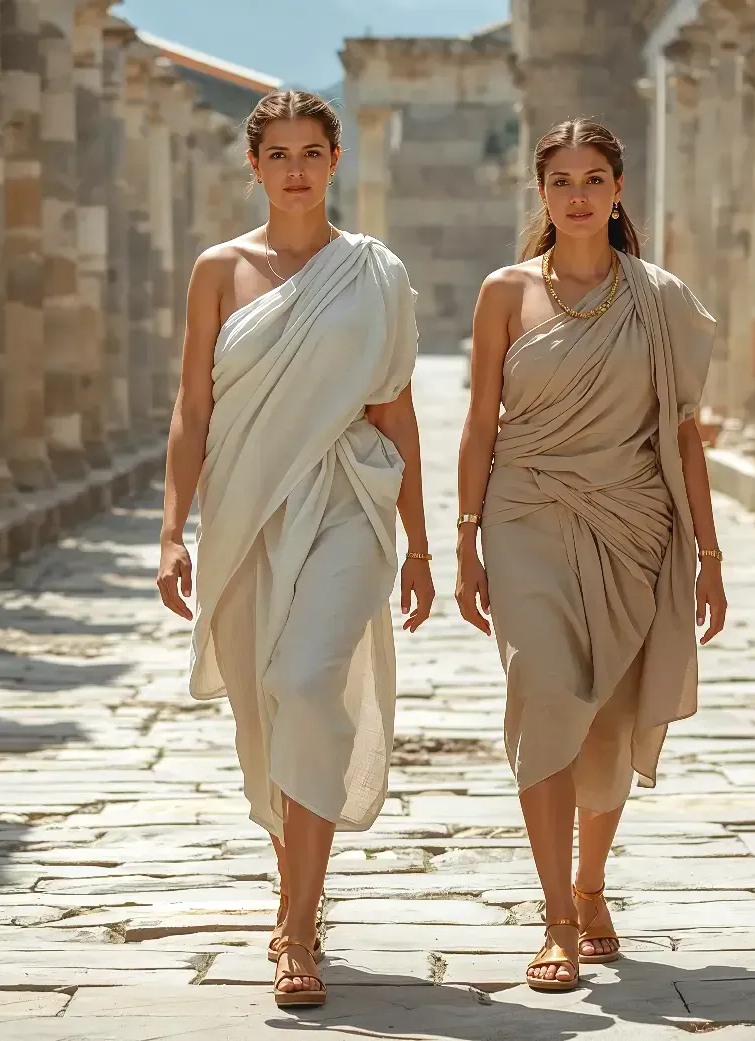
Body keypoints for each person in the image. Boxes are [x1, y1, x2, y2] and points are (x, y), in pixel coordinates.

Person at [156, 90, 433, 1009]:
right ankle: (296, 898)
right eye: (278, 155)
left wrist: (426, 542)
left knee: (308, 681)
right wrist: (170, 529)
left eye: (312, 152)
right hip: (244, 510)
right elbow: (192, 408)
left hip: (349, 496)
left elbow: (395, 407)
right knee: (264, 713)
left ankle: (299, 923)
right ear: (254, 166)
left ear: (337, 158)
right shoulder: (217, 270)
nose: (297, 170)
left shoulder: (375, 272)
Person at [455, 119, 727, 992]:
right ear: (542, 194)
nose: (578, 195)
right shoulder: (503, 292)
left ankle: (593, 884)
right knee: (543, 689)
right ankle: (556, 919)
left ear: (617, 190)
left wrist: (710, 554)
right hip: (526, 509)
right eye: (561, 180)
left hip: (635, 521)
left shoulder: (661, 298)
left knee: (608, 718)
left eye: (594, 178)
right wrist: (464, 535)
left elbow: (684, 433)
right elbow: (478, 422)